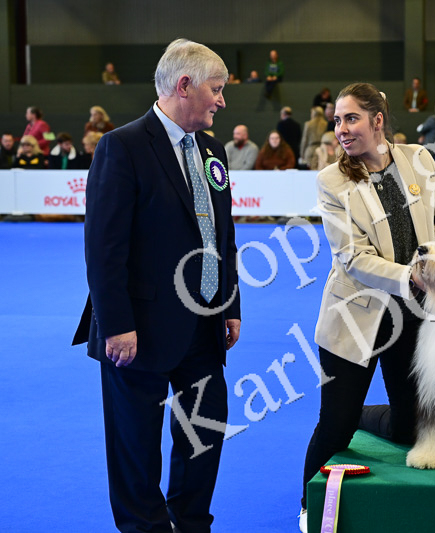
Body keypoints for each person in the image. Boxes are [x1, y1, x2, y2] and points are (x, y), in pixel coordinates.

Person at [72, 38, 241, 533]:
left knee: (203, 436)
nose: (222, 101)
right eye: (216, 89)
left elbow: (223, 234)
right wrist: (116, 325)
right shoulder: (121, 146)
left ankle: (190, 524)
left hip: (204, 325)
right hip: (137, 330)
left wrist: (230, 304)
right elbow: (103, 249)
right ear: (184, 85)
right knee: (136, 448)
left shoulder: (212, 150)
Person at [298, 82, 435, 533]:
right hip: (355, 316)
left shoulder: (419, 159)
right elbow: (352, 258)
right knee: (336, 427)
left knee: (412, 430)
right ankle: (308, 505)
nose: (341, 129)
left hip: (413, 316)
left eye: (351, 118)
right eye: (337, 121)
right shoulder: (331, 181)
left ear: (378, 120)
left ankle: (371, 415)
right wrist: (411, 276)